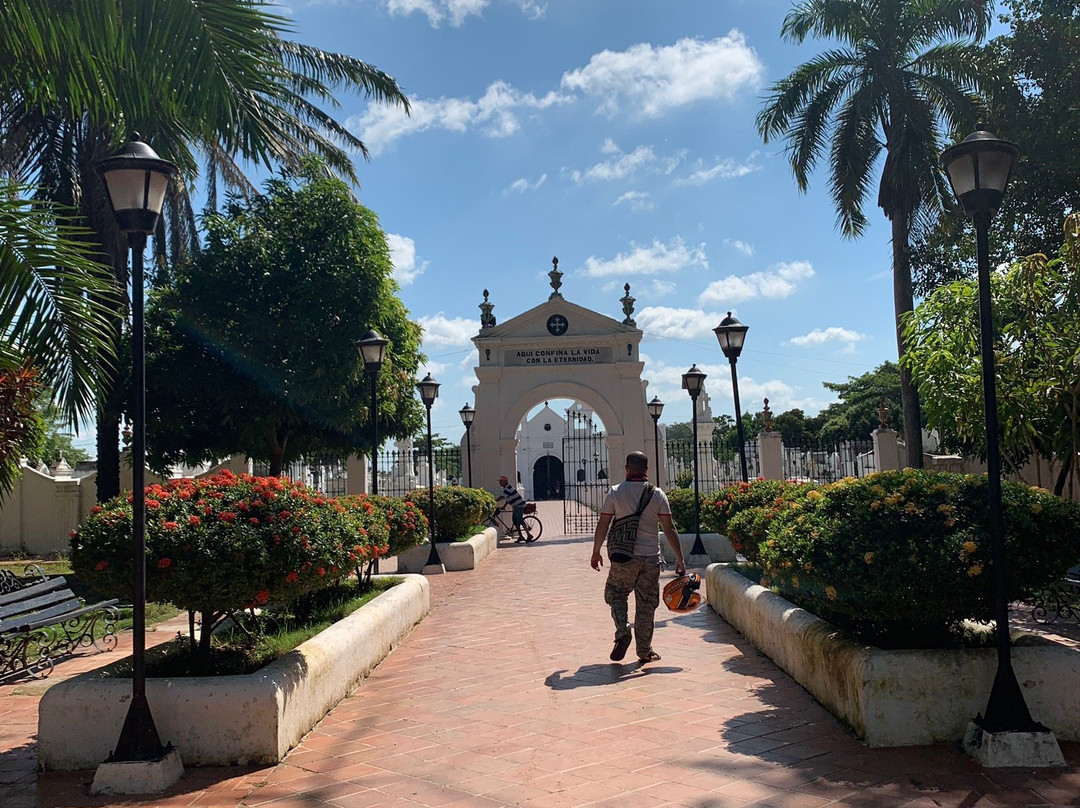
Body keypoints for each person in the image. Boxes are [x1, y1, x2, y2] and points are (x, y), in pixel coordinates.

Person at [591, 451, 685, 663]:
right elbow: (669, 528)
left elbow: (604, 524)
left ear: (626, 468)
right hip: (651, 559)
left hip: (624, 557)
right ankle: (644, 650)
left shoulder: (615, 492)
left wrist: (596, 551)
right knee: (645, 605)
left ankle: (623, 631)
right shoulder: (658, 494)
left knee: (615, 593)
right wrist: (679, 558)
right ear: (646, 470)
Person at [497, 474, 532, 542]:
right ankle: (521, 536)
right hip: (515, 506)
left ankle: (529, 535)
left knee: (520, 520)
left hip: (519, 506)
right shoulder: (507, 488)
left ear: (504, 482)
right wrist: (504, 506)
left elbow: (502, 497)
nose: (499, 483)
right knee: (515, 522)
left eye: (500, 481)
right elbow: (508, 498)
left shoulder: (507, 489)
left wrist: (493, 501)